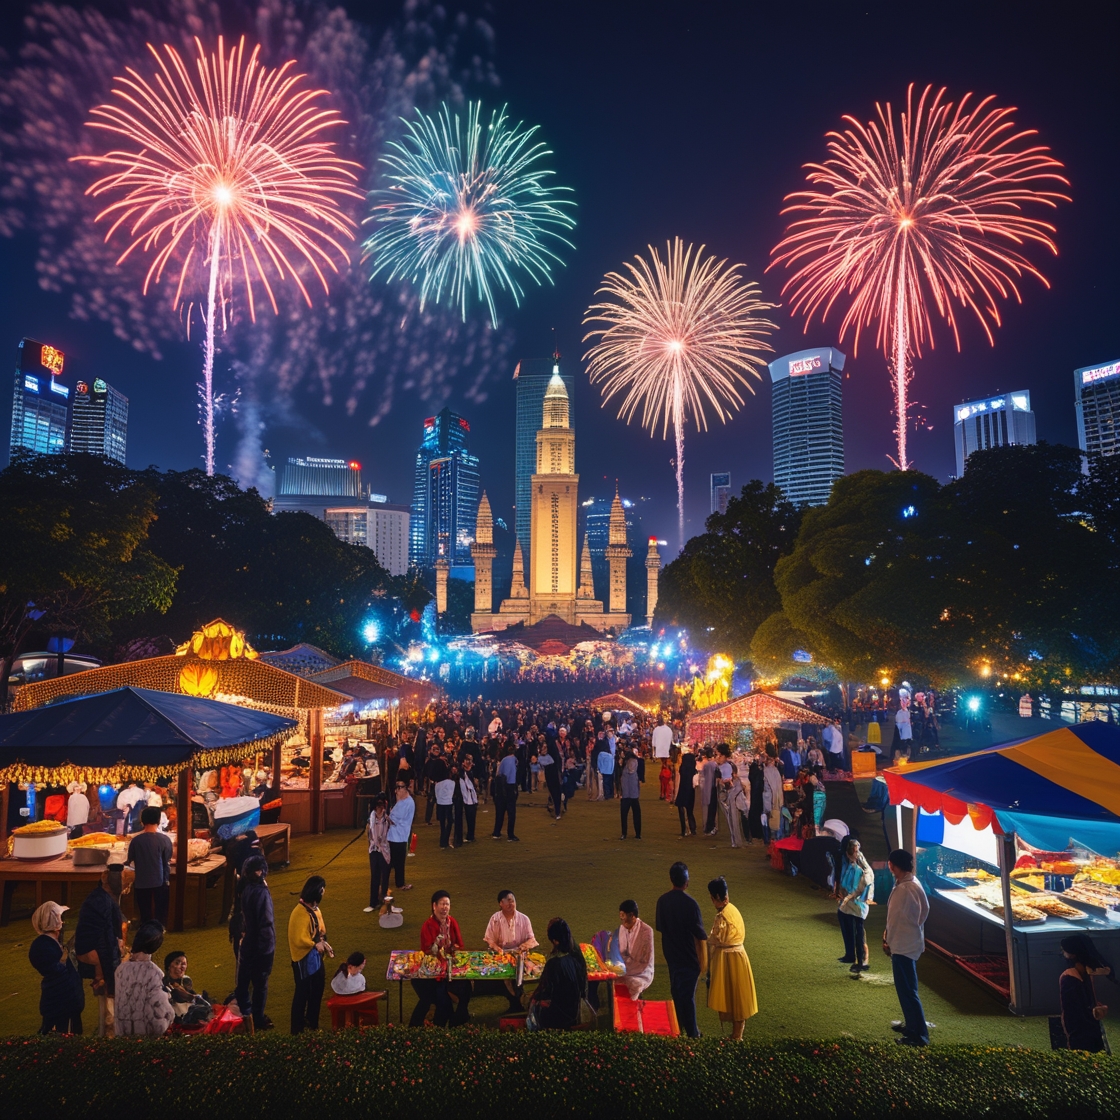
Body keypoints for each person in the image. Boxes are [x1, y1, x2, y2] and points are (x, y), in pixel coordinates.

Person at [655, 861, 708, 1038]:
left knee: (677, 993)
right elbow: (700, 935)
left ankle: (678, 1028)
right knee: (687, 997)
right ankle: (692, 1032)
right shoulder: (691, 904)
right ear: (686, 882)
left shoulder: (662, 901)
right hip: (688, 958)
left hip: (672, 956)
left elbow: (662, 927)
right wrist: (703, 963)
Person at [883, 848, 930, 1046]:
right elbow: (924, 911)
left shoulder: (905, 888)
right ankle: (912, 1026)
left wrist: (889, 941)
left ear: (892, 865)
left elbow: (895, 919)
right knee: (907, 989)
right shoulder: (910, 883)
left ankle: (918, 1035)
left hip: (903, 945)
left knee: (907, 991)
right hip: (907, 943)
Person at [74, 864, 126, 1036]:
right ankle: (107, 1034)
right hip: (97, 957)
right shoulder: (101, 902)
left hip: (100, 955)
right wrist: (109, 976)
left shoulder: (102, 898)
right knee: (108, 1008)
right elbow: (104, 941)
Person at [706, 877, 757, 1040]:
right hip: (739, 955)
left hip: (729, 959)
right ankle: (737, 1034)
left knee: (733, 996)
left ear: (713, 898)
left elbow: (714, 939)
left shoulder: (721, 917)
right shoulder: (733, 909)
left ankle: (736, 1036)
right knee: (739, 996)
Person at [410, 890, 471, 1026]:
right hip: (435, 972)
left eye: (447, 904)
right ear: (434, 906)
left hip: (450, 967)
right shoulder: (428, 926)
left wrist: (454, 948)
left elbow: (460, 944)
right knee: (442, 998)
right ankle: (443, 1023)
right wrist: (437, 947)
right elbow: (427, 951)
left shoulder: (452, 922)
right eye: (442, 904)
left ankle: (458, 1018)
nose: (445, 908)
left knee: (467, 988)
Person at [28, 901, 84, 1034]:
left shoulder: (49, 943)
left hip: (64, 1001)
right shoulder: (43, 946)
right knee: (63, 1036)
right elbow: (54, 969)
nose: (62, 922)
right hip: (62, 1002)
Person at [114, 920, 175, 1036]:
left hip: (123, 1034)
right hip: (147, 1035)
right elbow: (160, 1008)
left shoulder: (121, 969)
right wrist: (171, 1015)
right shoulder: (154, 973)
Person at [235, 855, 275, 1032]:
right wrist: (267, 948)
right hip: (261, 944)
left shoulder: (246, 889)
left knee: (244, 981)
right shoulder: (261, 892)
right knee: (260, 983)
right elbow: (266, 922)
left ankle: (244, 1013)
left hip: (248, 941)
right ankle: (257, 1018)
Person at [528, 917, 588, 1031]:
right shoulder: (576, 956)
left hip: (559, 1015)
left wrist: (532, 998)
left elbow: (544, 991)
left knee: (531, 1004)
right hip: (575, 1010)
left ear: (555, 941)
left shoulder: (554, 963)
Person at [289, 875, 331, 1034]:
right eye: (322, 890)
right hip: (302, 961)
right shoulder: (299, 913)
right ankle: (297, 1029)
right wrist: (315, 944)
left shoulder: (314, 910)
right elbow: (299, 939)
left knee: (317, 990)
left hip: (315, 959)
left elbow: (321, 930)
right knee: (302, 994)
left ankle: (312, 1023)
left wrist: (323, 941)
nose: (324, 892)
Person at [1059, 934, 1115, 1052]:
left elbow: (1070, 1010)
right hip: (1095, 1025)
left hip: (1079, 1030)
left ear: (1072, 954)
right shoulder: (1095, 971)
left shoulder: (1068, 976)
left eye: (1064, 950)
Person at [484, 890, 538, 1011]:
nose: (511, 904)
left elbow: (531, 939)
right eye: (507, 902)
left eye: (512, 901)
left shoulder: (524, 919)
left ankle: (517, 1001)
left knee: (519, 974)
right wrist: (496, 948)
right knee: (506, 978)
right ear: (500, 904)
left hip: (520, 955)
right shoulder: (495, 919)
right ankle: (514, 999)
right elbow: (489, 939)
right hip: (501, 955)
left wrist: (523, 946)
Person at [126, 805, 173, 925]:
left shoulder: (136, 841)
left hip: (141, 881)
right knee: (160, 909)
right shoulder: (165, 840)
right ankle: (159, 929)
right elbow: (167, 858)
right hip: (161, 879)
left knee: (144, 910)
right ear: (158, 821)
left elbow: (129, 859)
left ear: (142, 821)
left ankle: (146, 928)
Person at [836, 837, 874, 974]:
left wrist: (847, 893)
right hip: (851, 903)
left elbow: (857, 888)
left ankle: (862, 962)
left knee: (858, 933)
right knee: (843, 918)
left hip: (857, 904)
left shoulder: (860, 868)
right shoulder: (854, 864)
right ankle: (850, 955)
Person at [163, 951, 213, 1027]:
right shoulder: (164, 986)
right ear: (169, 966)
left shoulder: (186, 983)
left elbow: (206, 1006)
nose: (182, 967)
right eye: (177, 963)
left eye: (184, 964)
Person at [617, 900, 654, 999]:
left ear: (632, 915)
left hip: (642, 971)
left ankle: (633, 1009)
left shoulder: (646, 931)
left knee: (634, 983)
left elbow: (644, 960)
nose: (621, 919)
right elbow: (621, 953)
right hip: (625, 968)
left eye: (623, 915)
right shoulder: (622, 929)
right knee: (609, 980)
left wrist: (625, 970)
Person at [388, 780, 415, 893]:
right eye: (397, 787)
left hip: (398, 836)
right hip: (394, 835)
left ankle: (400, 883)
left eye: (401, 787)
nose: (398, 790)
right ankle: (390, 882)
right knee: (391, 861)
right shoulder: (402, 801)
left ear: (406, 788)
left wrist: (384, 817)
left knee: (397, 862)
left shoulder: (407, 802)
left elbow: (393, 820)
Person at [365, 794, 391, 913]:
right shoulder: (372, 818)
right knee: (375, 875)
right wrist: (377, 843)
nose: (381, 809)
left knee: (385, 876)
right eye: (379, 806)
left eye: (382, 806)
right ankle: (373, 902)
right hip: (374, 850)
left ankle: (384, 900)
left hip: (385, 850)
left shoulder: (387, 818)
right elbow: (372, 836)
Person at [492, 744, 520, 841]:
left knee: (500, 810)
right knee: (511, 812)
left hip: (501, 787)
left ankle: (496, 832)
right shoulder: (514, 760)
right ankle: (510, 834)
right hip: (510, 786)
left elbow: (499, 774)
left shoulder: (503, 760)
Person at [454, 754, 479, 844]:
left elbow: (475, 782)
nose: (469, 762)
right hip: (462, 797)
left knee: (471, 817)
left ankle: (470, 835)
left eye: (470, 760)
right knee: (460, 817)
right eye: (467, 760)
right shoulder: (460, 771)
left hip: (471, 797)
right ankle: (459, 837)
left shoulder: (472, 771)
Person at [619, 750, 642, 839]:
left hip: (632, 794)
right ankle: (625, 833)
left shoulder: (631, 763)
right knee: (625, 814)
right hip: (627, 794)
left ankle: (637, 833)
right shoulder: (625, 767)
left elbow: (631, 770)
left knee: (634, 814)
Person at [675, 749, 698, 836]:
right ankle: (693, 828)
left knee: (681, 810)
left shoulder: (682, 769)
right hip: (690, 792)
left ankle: (684, 829)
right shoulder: (693, 770)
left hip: (682, 790)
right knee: (690, 811)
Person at [701, 750, 720, 834]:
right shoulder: (715, 765)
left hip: (707, 787)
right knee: (713, 809)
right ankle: (712, 826)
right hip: (713, 787)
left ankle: (706, 826)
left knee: (706, 808)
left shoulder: (705, 765)